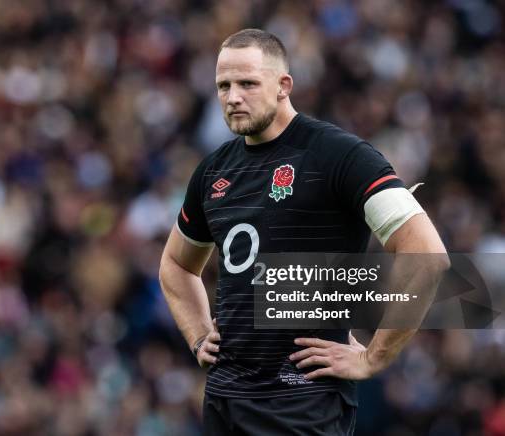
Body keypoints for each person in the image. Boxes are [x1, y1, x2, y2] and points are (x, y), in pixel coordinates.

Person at [159, 29, 449, 435]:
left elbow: (427, 255)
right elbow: (175, 264)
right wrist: (198, 334)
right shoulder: (213, 171)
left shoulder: (341, 155)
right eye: (223, 86)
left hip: (302, 404)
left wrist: (375, 358)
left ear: (283, 86)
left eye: (247, 83)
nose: (232, 97)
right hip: (226, 400)